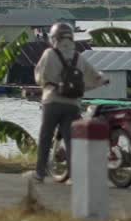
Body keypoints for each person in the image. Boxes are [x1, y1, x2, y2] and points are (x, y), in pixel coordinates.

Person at [29, 21, 106, 182]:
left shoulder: (49, 53)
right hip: (72, 104)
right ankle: (74, 175)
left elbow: (39, 77)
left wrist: (49, 83)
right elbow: (95, 76)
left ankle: (40, 173)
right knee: (71, 140)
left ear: (54, 38)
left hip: (52, 102)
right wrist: (103, 80)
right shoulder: (78, 57)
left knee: (45, 137)